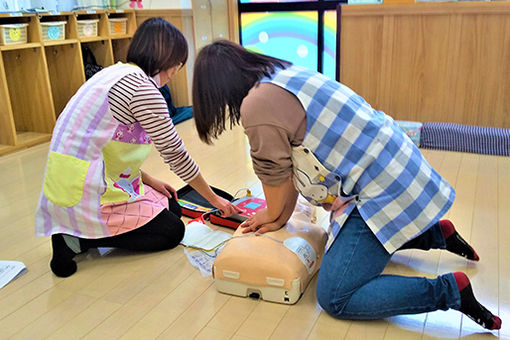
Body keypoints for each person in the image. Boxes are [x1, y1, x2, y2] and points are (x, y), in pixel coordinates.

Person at [191, 40, 502, 330]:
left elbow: (273, 173)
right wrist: (277, 217)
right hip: (397, 166)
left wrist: (271, 217)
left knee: (335, 295)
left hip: (381, 189)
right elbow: (285, 172)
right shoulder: (285, 74)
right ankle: (434, 235)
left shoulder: (256, 105)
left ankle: (449, 291)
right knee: (340, 246)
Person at [35, 19, 241, 278]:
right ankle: (76, 238)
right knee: (172, 232)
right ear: (168, 59)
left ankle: (76, 230)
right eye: (177, 64)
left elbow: (105, 147)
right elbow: (175, 154)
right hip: (87, 192)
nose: (176, 71)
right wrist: (214, 200)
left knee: (171, 204)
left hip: (69, 183)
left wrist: (151, 180)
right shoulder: (143, 89)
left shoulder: (113, 73)